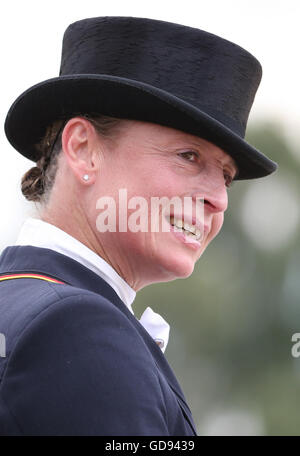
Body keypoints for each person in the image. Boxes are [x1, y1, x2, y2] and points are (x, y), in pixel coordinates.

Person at [0, 16, 278, 436]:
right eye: (188, 156)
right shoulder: (78, 329)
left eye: (225, 176)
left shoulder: (21, 297)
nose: (219, 198)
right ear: (83, 149)